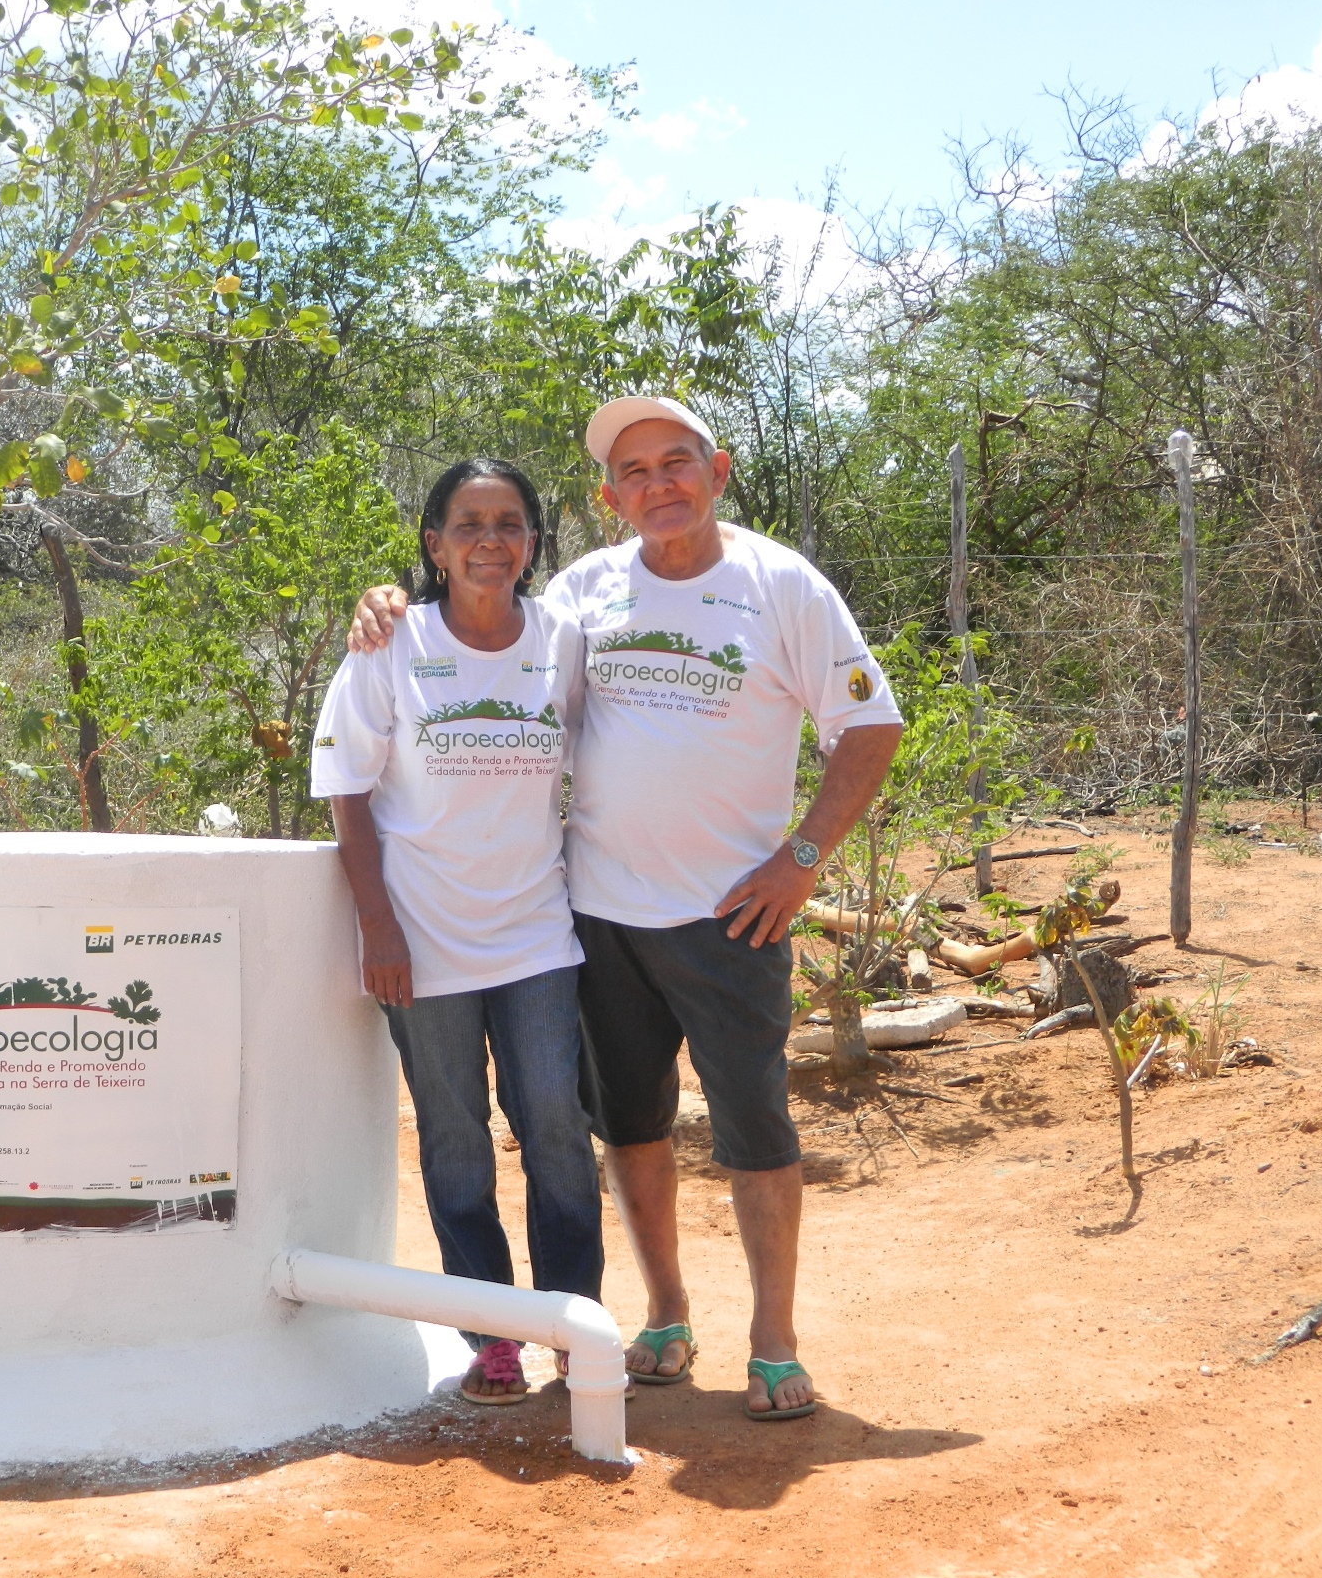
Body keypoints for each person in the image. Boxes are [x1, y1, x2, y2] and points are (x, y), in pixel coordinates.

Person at [348, 398, 904, 1419]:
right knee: (630, 1128)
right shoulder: (584, 593)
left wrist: (802, 860)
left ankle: (774, 1342)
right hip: (593, 917)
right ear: (611, 498)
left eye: (676, 462)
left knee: (755, 1132)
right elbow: (483, 628)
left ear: (718, 470)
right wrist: (389, 603)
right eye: (635, 472)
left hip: (737, 916)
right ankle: (664, 1315)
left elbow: (871, 724)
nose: (659, 485)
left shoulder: (784, 586)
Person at [311, 457, 603, 1406]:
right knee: (454, 1140)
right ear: (434, 544)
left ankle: (571, 1322)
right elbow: (347, 791)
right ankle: (492, 1339)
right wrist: (378, 927)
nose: (490, 540)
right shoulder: (391, 644)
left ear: (532, 541)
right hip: (423, 943)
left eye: (510, 523)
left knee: (557, 1128)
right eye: (468, 524)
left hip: (536, 937)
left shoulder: (562, 638)